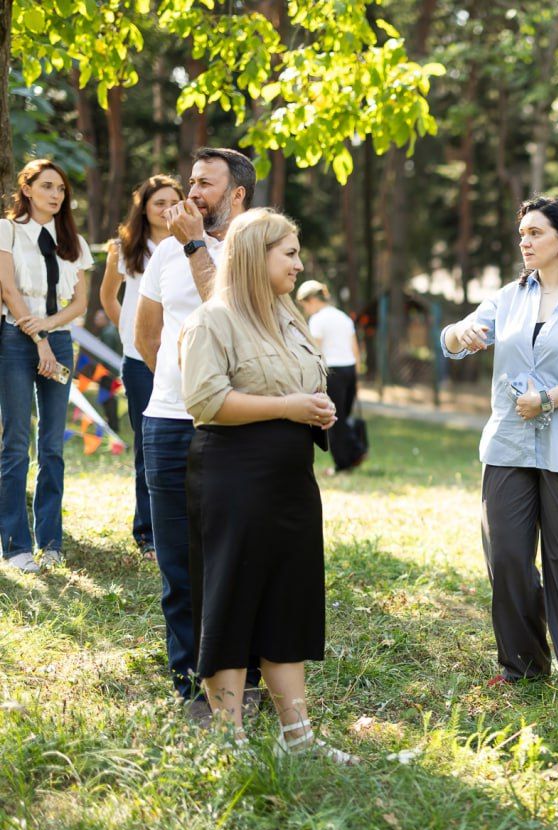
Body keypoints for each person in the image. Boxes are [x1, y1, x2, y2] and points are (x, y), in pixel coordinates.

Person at [180, 208, 353, 762]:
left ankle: (298, 741)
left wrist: (316, 409)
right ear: (256, 255)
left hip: (290, 481)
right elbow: (205, 402)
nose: (299, 265)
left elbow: (305, 381)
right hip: (233, 479)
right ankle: (229, 744)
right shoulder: (214, 320)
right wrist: (287, 406)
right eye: (290, 254)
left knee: (289, 604)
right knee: (230, 602)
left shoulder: (288, 314)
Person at [441, 196, 558, 699]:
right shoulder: (508, 296)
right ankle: (523, 666)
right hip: (508, 446)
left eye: (536, 233)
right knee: (508, 557)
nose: (525, 241)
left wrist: (545, 400)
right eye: (522, 234)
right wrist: (460, 333)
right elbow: (453, 339)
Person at [134, 147, 258, 720]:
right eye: (191, 181)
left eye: (205, 184)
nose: (192, 192)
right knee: (178, 567)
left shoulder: (253, 248)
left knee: (236, 560)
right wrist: (177, 381)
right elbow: (146, 336)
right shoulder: (163, 249)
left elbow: (233, 318)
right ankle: (191, 689)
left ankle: (245, 681)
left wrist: (193, 245)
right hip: (166, 420)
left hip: (231, 426)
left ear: (236, 194)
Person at [0, 159, 93, 573]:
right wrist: (37, 338)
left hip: (58, 338)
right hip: (15, 339)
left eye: (61, 190)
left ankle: (50, 540)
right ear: (28, 187)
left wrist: (50, 330)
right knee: (16, 443)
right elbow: (7, 287)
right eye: (48, 186)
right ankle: (15, 545)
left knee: (52, 446)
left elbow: (80, 303)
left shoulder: (73, 239)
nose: (56, 195)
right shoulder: (7, 230)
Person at [100, 174, 185, 559]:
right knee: (146, 446)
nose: (167, 209)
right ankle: (147, 533)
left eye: (174, 201)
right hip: (139, 362)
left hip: (182, 359)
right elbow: (108, 297)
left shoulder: (190, 245)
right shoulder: (124, 248)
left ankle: (185, 525)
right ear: (144, 207)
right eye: (158, 202)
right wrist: (130, 331)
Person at [297, 280, 363, 473]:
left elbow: (314, 350)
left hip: (332, 372)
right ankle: (353, 454)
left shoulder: (318, 320)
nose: (306, 310)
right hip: (349, 369)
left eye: (305, 305)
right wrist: (356, 378)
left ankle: (344, 462)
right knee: (343, 417)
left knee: (332, 419)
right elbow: (355, 349)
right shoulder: (343, 317)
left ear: (312, 300)